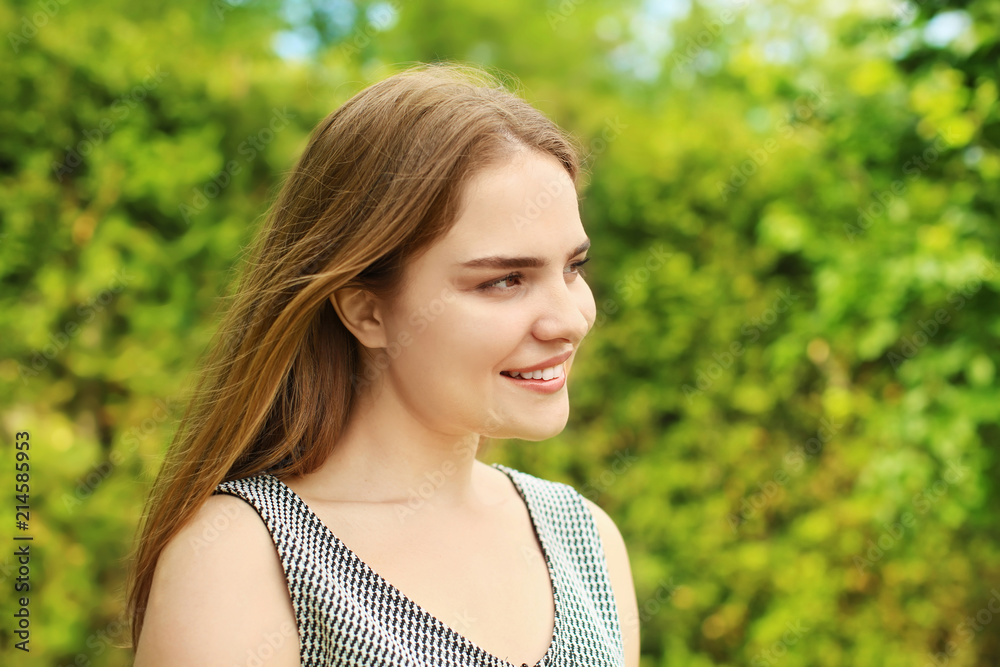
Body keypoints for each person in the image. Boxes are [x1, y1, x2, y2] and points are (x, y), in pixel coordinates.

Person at [127, 62, 639, 666]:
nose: (570, 319)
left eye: (572, 269)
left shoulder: (586, 543)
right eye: (504, 280)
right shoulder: (243, 556)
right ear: (366, 311)